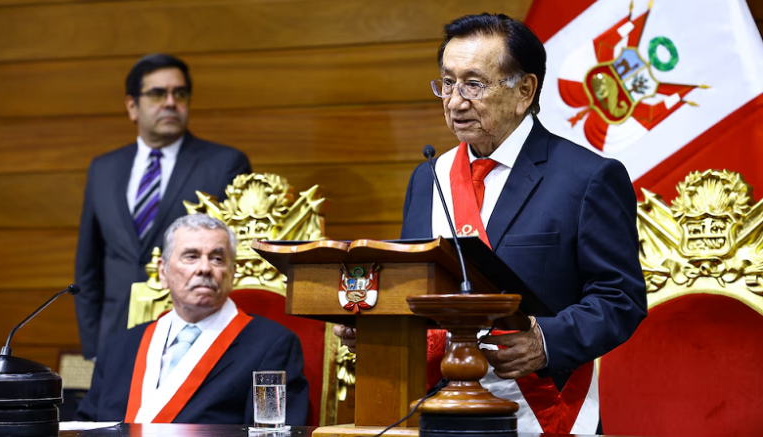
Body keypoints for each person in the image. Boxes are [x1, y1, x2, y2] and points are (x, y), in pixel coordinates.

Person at [336, 13, 647, 434]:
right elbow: (414, 290)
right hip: (436, 407)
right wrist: (375, 324)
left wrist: (545, 341)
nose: (455, 101)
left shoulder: (588, 177)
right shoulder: (428, 178)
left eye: (473, 84)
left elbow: (620, 298)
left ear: (524, 90)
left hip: (540, 409)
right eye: (447, 83)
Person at [75, 53, 252, 361]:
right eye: (158, 93)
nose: (171, 102)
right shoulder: (103, 169)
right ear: (132, 106)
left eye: (180, 94)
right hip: (114, 338)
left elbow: (239, 263)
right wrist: (93, 347)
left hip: (193, 337)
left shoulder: (224, 165)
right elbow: (88, 266)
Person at [75, 214, 309, 424]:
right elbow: (85, 426)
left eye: (217, 259)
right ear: (162, 271)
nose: (205, 268)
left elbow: (271, 433)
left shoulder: (272, 346)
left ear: (232, 273)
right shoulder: (120, 347)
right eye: (191, 256)